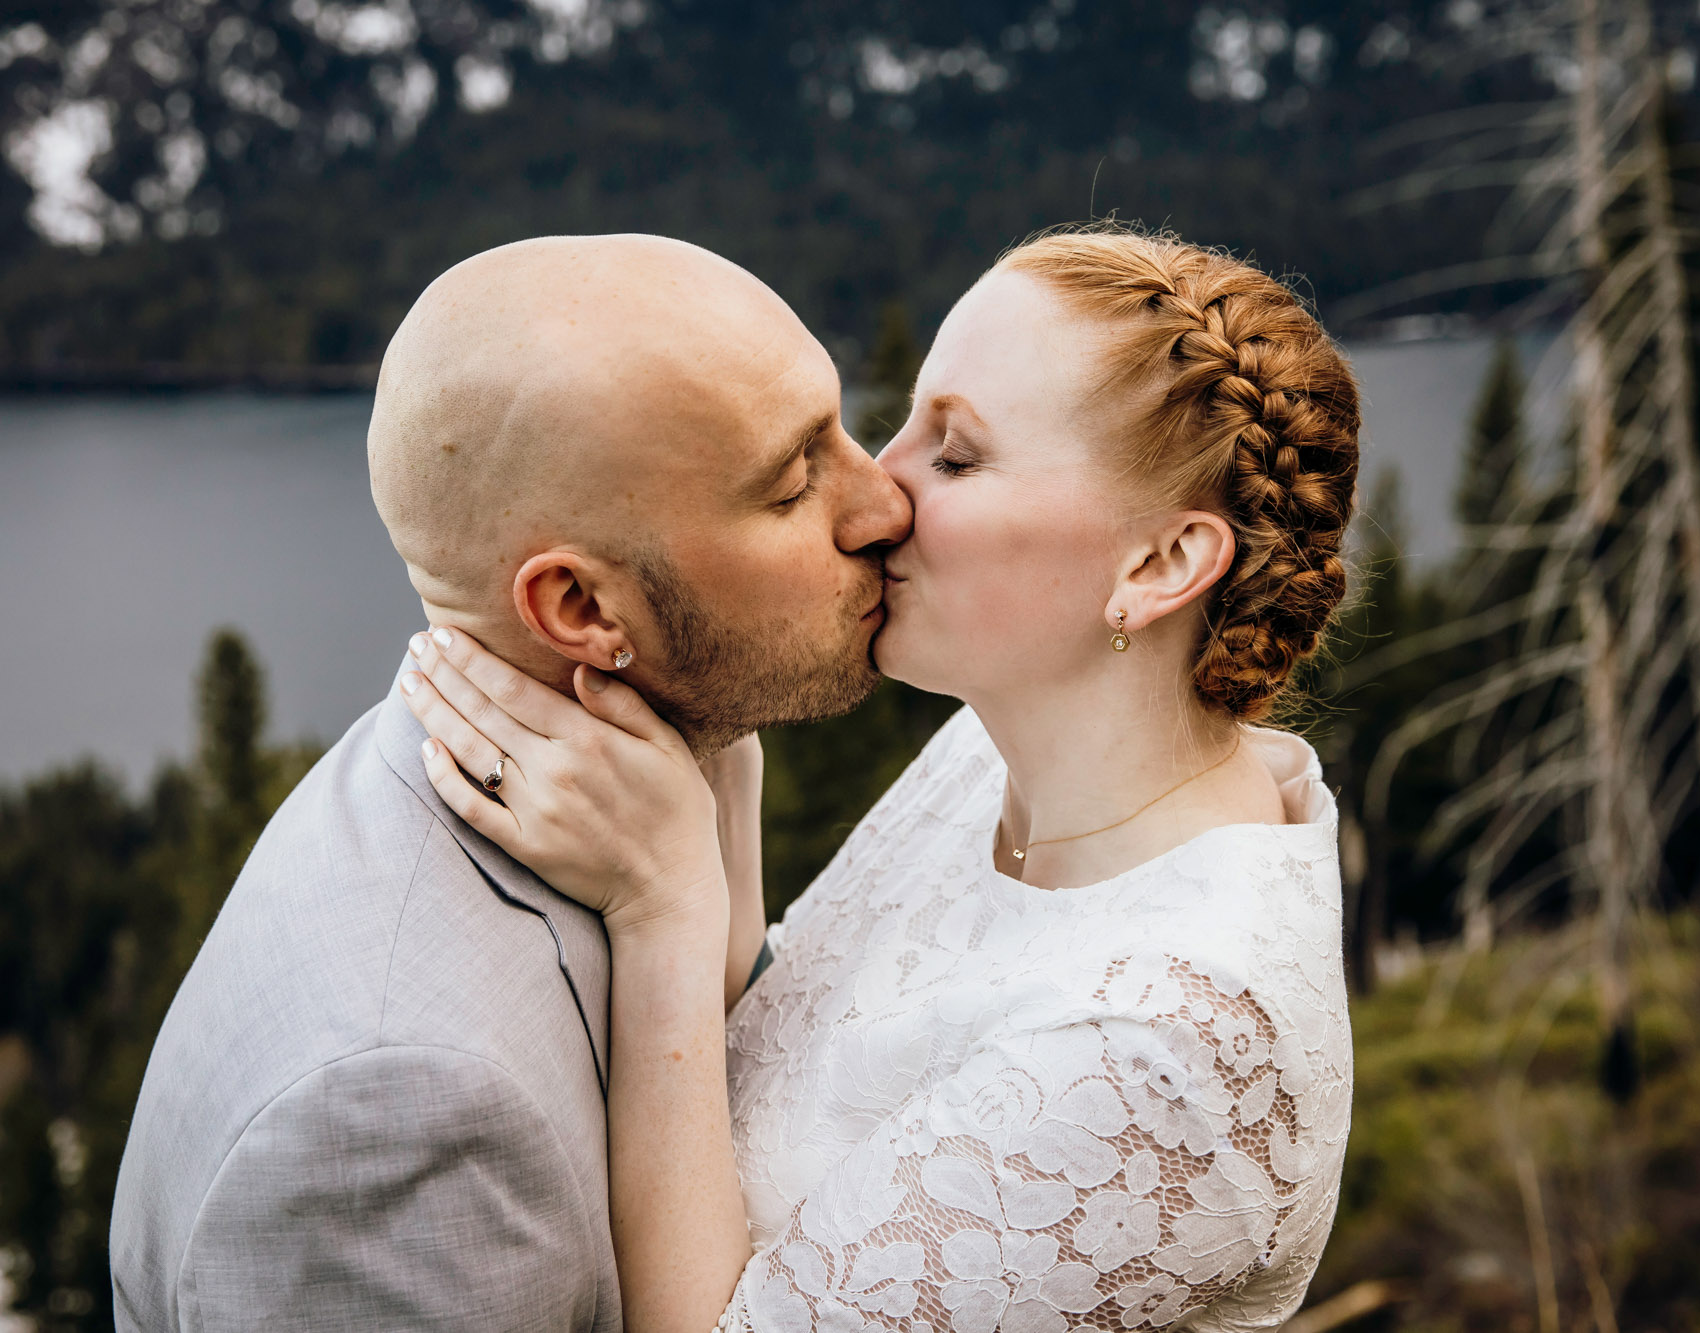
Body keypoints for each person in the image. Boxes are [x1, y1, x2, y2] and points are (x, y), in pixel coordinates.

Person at [402, 224, 1361, 1332]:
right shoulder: (991, 755)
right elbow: (787, 1060)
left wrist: (660, 908)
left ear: (1158, 566)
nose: (876, 495)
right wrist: (716, 744)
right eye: (900, 422)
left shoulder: (1167, 1053)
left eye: (953, 456)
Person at [108, 234, 910, 1331]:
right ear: (580, 612)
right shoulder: (398, 1110)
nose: (882, 507)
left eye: (840, 428)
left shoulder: (656, 786)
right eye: (789, 485)